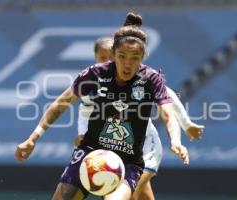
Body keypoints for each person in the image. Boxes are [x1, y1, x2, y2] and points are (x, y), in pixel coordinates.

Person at [15, 12, 190, 200]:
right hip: (90, 152)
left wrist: (176, 140)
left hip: (128, 161)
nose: (127, 63)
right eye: (122, 56)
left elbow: (167, 113)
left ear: (142, 58)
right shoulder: (95, 74)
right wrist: (33, 138)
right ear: (113, 54)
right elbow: (60, 104)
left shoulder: (151, 78)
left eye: (135, 58)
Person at [75, 36, 204, 200]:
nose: (107, 62)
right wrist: (82, 132)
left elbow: (168, 98)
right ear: (95, 58)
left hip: (144, 150)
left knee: (117, 196)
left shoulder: (139, 79)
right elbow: (85, 108)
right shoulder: (93, 83)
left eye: (110, 57)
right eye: (102, 58)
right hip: (114, 149)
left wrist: (186, 125)